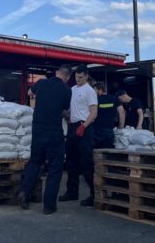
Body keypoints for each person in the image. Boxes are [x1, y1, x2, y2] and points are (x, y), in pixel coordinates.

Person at [18, 65, 72, 215]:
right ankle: (49, 206)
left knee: (35, 162)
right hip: (54, 131)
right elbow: (65, 111)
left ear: (56, 73)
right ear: (67, 78)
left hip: (38, 130)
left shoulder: (41, 83)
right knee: (55, 168)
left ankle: (25, 193)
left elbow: (29, 92)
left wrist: (38, 99)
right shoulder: (67, 90)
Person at [59, 65, 98, 207]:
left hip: (84, 128)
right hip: (72, 127)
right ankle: (72, 192)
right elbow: (70, 109)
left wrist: (84, 126)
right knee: (71, 161)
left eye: (81, 77)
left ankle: (94, 194)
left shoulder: (90, 91)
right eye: (76, 77)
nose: (78, 79)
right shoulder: (72, 90)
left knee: (87, 162)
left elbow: (93, 112)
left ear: (86, 76)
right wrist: (67, 116)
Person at [93, 82, 125, 148]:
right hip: (109, 131)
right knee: (109, 152)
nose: (94, 92)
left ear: (100, 90)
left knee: (97, 153)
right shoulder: (114, 99)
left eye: (95, 90)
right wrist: (121, 126)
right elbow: (122, 112)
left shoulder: (95, 100)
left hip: (97, 132)